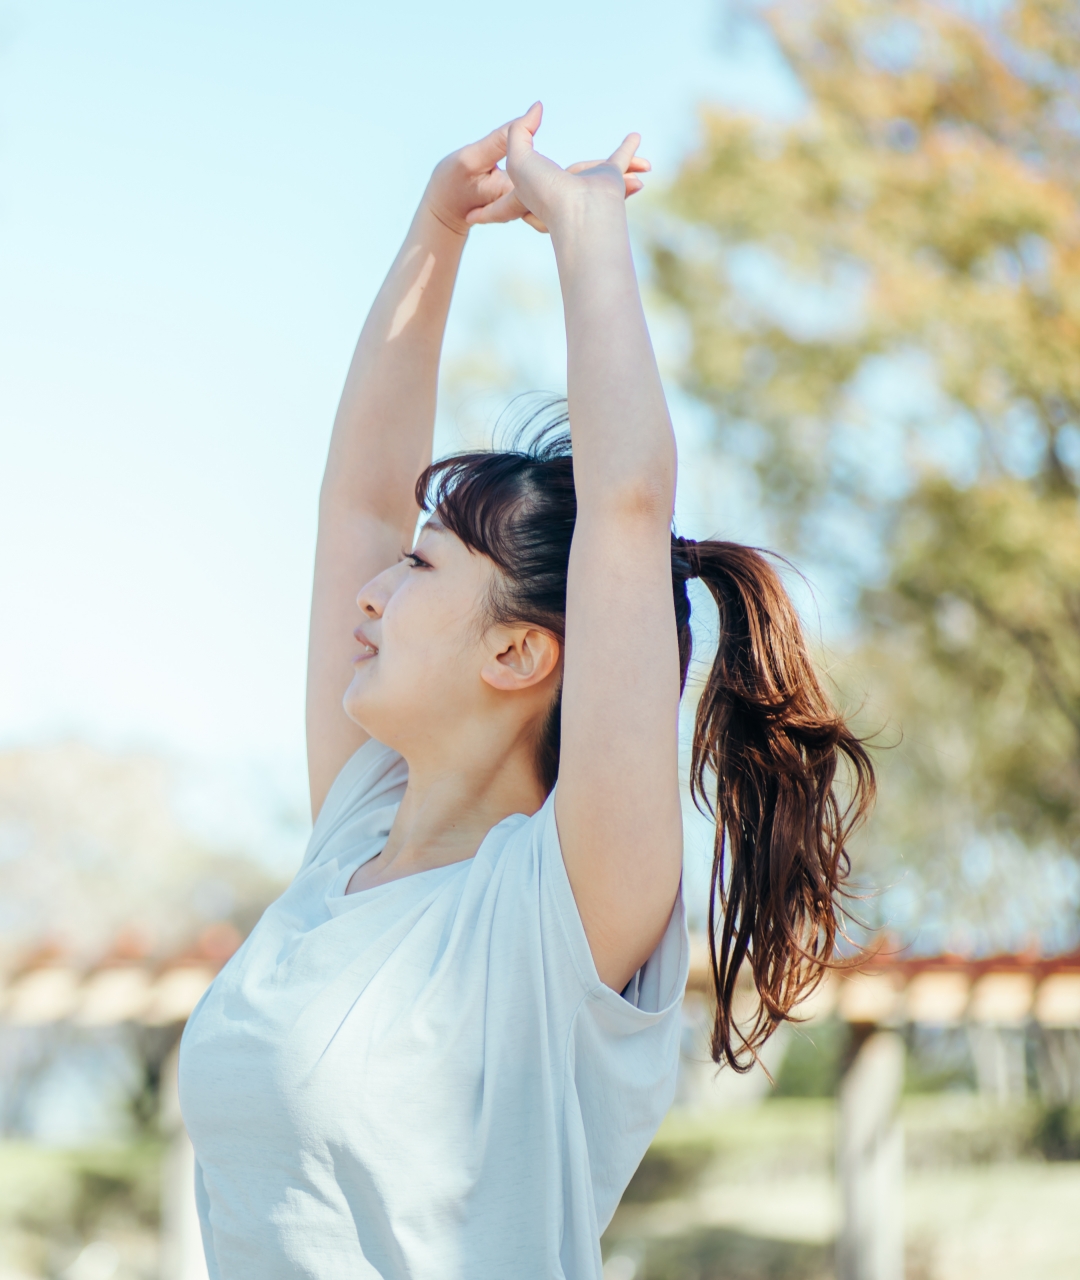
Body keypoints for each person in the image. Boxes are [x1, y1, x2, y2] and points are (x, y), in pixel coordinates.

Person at [176, 105, 874, 1279]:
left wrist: (585, 232)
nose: (369, 590)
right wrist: (433, 230)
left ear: (519, 655)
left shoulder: (563, 904)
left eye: (420, 566)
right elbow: (356, 500)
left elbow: (627, 507)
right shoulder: (350, 837)